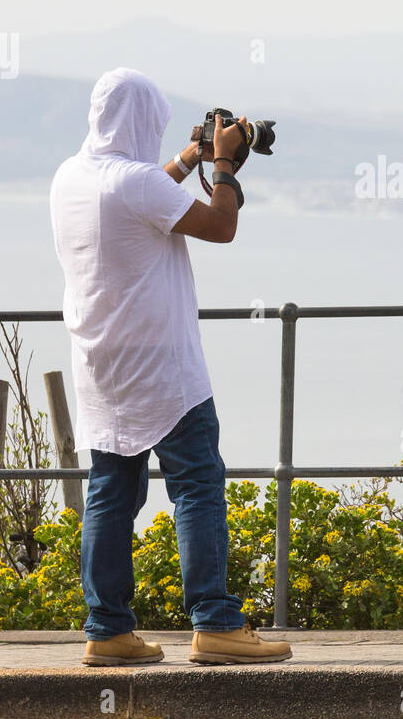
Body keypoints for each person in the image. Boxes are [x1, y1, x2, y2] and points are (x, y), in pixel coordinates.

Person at [49, 67, 291, 666]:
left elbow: (141, 197)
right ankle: (216, 625)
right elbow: (221, 226)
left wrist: (188, 159)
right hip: (163, 369)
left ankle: (106, 630)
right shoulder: (133, 184)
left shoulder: (73, 176)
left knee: (110, 494)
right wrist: (226, 167)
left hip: (101, 366)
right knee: (199, 488)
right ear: (146, 120)